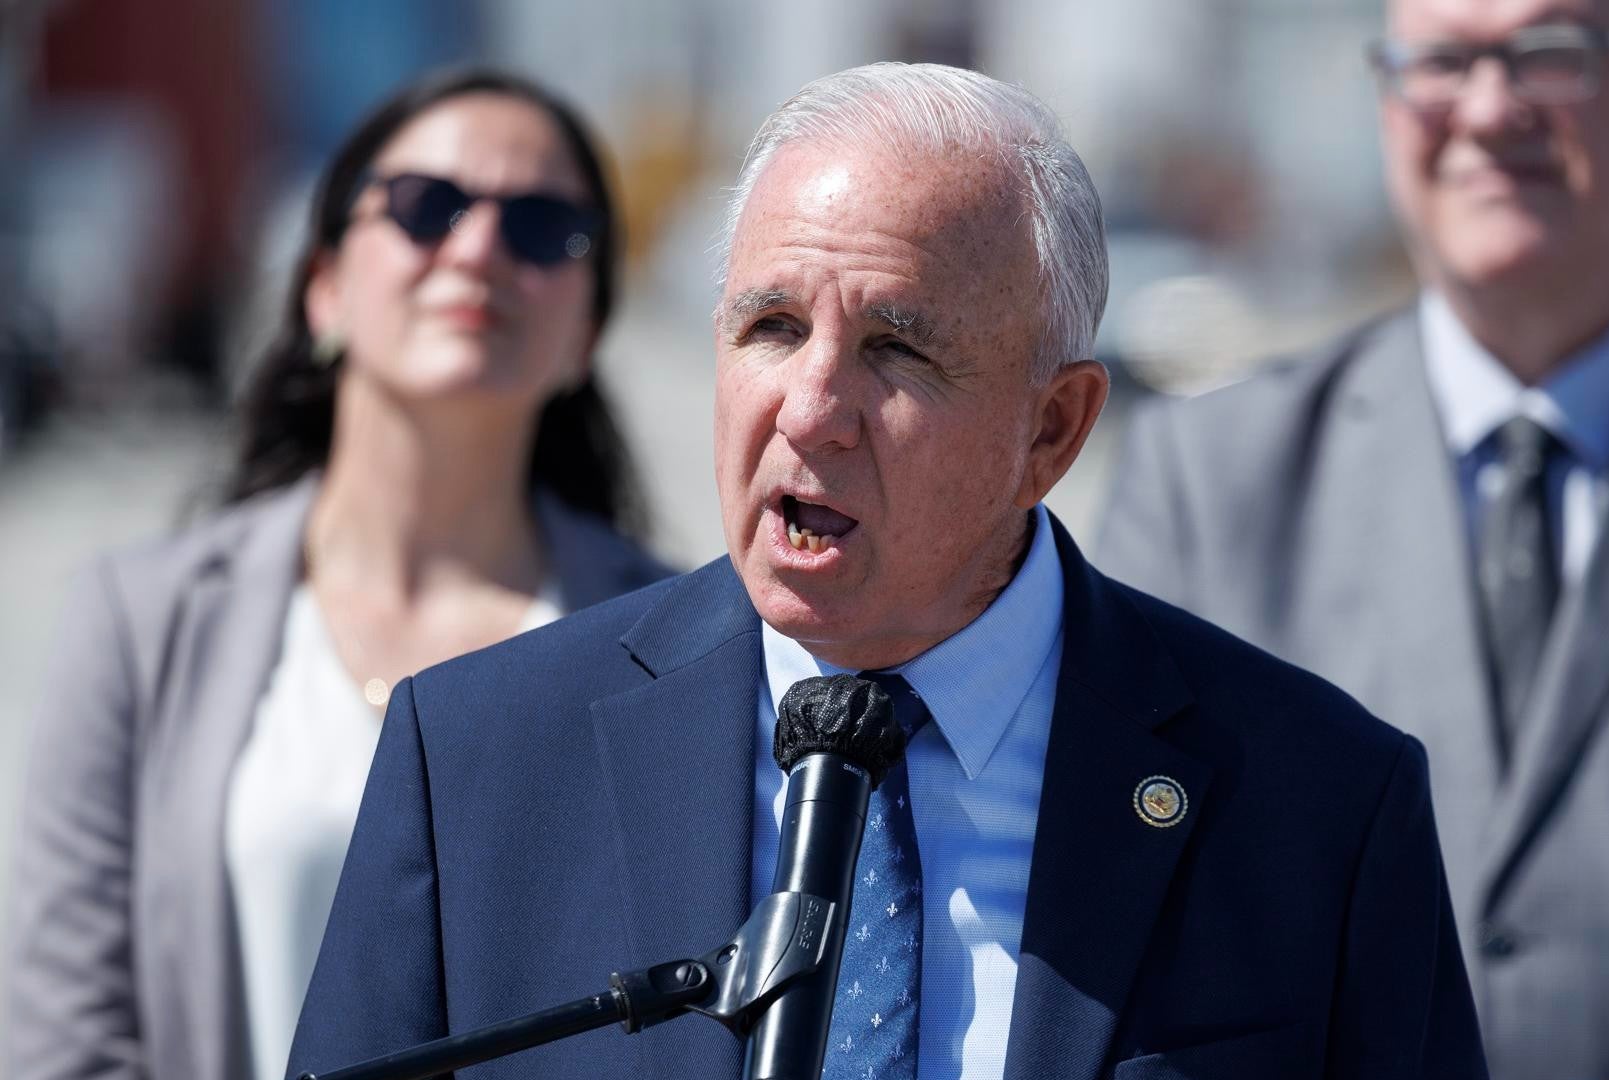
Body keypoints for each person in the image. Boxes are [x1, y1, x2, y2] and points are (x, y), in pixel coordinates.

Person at [285, 61, 1487, 1080]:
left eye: (895, 350)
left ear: (1053, 430)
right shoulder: (479, 764)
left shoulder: (1319, 805)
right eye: (768, 329)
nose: (811, 409)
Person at [1098, 0, 1609, 1077]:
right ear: (1387, 103)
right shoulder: (1209, 483)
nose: (1489, 110)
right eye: (1442, 62)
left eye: (1553, 56)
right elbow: (1116, 917)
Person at [6, 67, 674, 1080]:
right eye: (425, 207)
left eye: (544, 227)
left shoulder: (675, 638)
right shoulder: (142, 622)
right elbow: (66, 1034)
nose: (479, 248)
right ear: (324, 281)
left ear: (587, 328)